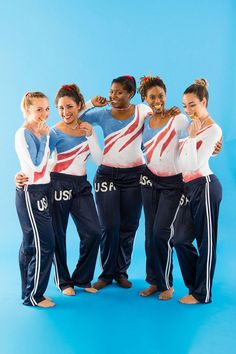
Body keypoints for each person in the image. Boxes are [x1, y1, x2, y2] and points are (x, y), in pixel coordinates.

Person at [16, 85, 106, 296]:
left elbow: (99, 160)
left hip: (81, 185)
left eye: (70, 107)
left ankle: (83, 278)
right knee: (58, 235)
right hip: (58, 184)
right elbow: (41, 159)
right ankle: (64, 281)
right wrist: (20, 175)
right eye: (60, 108)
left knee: (94, 232)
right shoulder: (53, 132)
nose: (65, 112)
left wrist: (92, 133)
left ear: (79, 107)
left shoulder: (86, 127)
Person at [80, 75, 153, 290]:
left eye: (119, 92)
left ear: (131, 94)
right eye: (111, 91)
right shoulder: (102, 113)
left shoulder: (142, 111)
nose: (112, 95)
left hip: (135, 175)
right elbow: (76, 117)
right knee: (109, 226)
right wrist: (91, 103)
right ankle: (106, 274)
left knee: (128, 227)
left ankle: (121, 272)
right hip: (107, 175)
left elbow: (161, 119)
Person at [138, 75, 190, 300]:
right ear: (145, 99)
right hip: (149, 180)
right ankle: (154, 281)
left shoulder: (178, 120)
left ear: (166, 96)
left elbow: (192, 144)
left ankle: (167, 284)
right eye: (152, 97)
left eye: (160, 95)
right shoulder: (145, 122)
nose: (157, 100)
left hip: (173, 183)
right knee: (150, 234)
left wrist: (214, 147)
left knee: (162, 232)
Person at [173, 79, 222, 304]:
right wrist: (190, 140)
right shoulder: (191, 128)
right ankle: (195, 287)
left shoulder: (213, 130)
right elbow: (181, 162)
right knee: (180, 239)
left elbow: (193, 164)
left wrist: (191, 140)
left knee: (206, 241)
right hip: (188, 188)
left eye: (193, 105)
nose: (188, 110)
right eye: (185, 105)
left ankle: (203, 294)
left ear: (204, 102)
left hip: (205, 185)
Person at [15, 91, 55, 307]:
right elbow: (36, 167)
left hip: (43, 189)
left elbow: (49, 164)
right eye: (39, 109)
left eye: (47, 108)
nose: (44, 113)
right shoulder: (24, 134)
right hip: (32, 192)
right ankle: (34, 296)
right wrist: (44, 138)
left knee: (31, 243)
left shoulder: (41, 132)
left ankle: (27, 292)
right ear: (28, 110)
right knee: (44, 244)